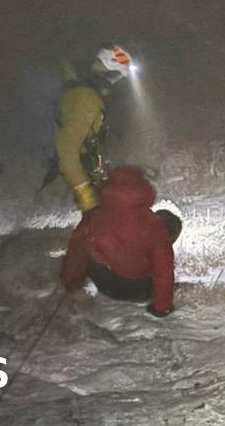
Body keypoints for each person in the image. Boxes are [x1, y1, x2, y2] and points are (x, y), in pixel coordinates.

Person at [60, 165, 181, 317]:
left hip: (104, 282)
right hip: (137, 289)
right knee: (162, 237)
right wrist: (161, 307)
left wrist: (71, 282)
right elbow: (164, 269)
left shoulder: (95, 215)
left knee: (90, 250)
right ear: (143, 189)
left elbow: (77, 250)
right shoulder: (153, 224)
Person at [54, 44, 134, 212]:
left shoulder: (83, 92)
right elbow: (67, 154)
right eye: (118, 78)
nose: (116, 84)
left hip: (81, 174)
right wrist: (87, 198)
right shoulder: (86, 98)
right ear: (111, 71)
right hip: (73, 179)